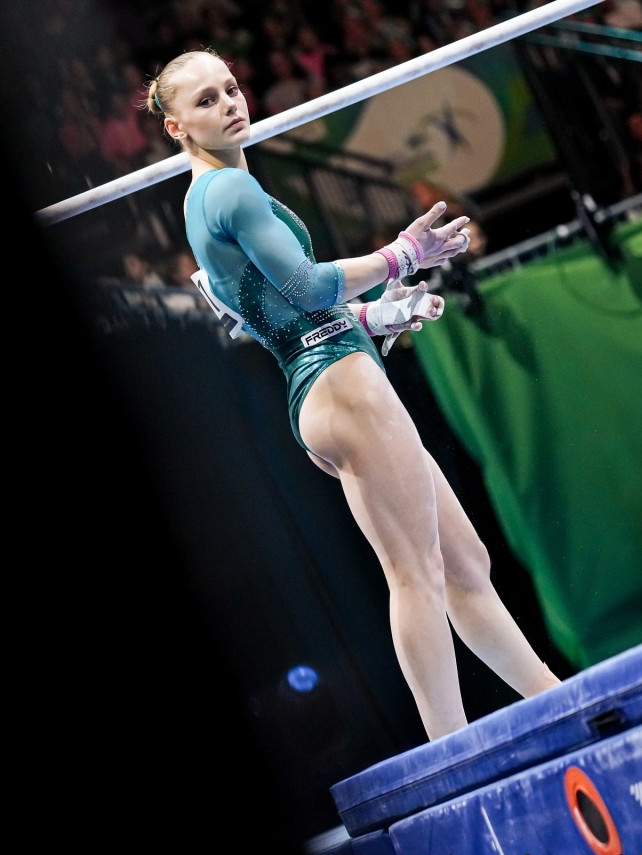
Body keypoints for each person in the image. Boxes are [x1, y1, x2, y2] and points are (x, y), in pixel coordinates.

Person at [144, 48, 562, 741]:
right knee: (417, 572)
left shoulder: (204, 201)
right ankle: (452, 752)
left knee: (465, 564)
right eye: (206, 100)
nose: (229, 104)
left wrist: (380, 314)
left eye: (231, 87)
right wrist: (402, 256)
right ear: (176, 127)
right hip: (341, 384)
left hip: (324, 377)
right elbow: (306, 288)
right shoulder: (230, 192)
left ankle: (556, 701)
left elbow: (280, 314)